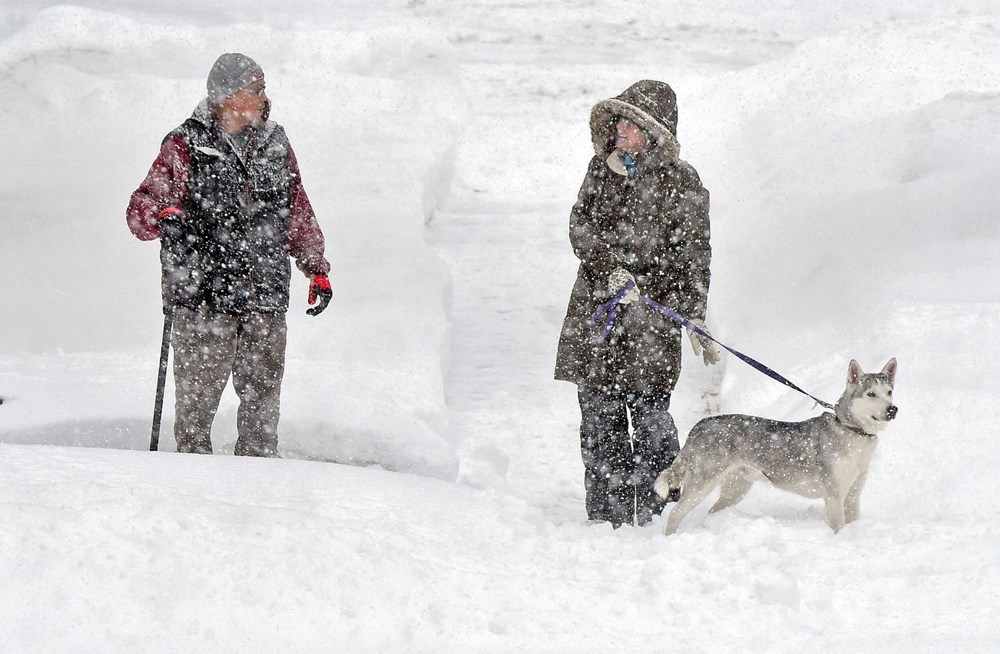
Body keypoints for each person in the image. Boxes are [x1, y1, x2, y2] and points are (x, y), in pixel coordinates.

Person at [127, 53, 332, 457]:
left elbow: (297, 208)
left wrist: (317, 269)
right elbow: (140, 210)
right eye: (256, 89)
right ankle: (194, 490)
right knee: (195, 417)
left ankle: (258, 490)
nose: (264, 96)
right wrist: (163, 215)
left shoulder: (276, 143)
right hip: (203, 298)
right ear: (228, 96)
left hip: (264, 298)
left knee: (261, 416)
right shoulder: (185, 144)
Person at [554, 80, 720, 527]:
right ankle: (606, 516)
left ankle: (659, 511)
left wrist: (694, 313)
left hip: (651, 323)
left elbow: (693, 254)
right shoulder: (599, 170)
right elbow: (580, 226)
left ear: (653, 132)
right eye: (619, 122)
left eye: (631, 123)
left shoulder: (682, 182)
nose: (621, 131)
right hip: (597, 315)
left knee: (651, 420)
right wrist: (610, 269)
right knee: (599, 417)